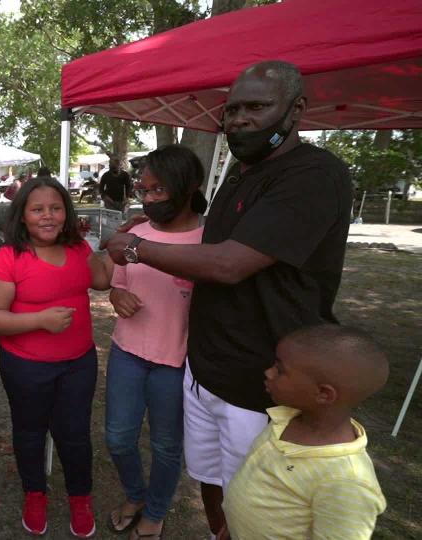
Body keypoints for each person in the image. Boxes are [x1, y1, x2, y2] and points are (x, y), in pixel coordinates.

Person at [104, 60, 354, 539]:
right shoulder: (239, 175)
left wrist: (135, 248)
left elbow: (227, 264)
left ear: (295, 109)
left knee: (255, 505)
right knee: (211, 483)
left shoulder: (315, 175)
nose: (238, 118)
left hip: (261, 384)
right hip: (205, 373)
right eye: (232, 108)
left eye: (256, 106)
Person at [0, 176, 114, 538]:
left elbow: (101, 281)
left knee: (74, 433)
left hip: (78, 363)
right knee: (30, 432)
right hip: (25, 366)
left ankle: (79, 497)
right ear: (22, 216)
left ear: (66, 213)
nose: (48, 216)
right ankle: (34, 493)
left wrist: (118, 246)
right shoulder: (9, 258)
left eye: (55, 208)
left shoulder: (79, 248)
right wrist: (38, 320)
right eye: (37, 209)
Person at [104, 145, 206, 540]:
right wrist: (116, 297)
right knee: (117, 437)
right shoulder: (135, 234)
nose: (147, 198)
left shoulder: (209, 240)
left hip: (176, 362)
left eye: (157, 190)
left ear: (187, 187)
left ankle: (156, 510)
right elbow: (116, 285)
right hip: (127, 353)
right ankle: (135, 494)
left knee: (166, 445)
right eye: (143, 191)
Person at [223, 325, 387, 540]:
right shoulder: (287, 419)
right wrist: (234, 522)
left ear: (323, 393)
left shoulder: (347, 482)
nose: (268, 372)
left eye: (280, 370)